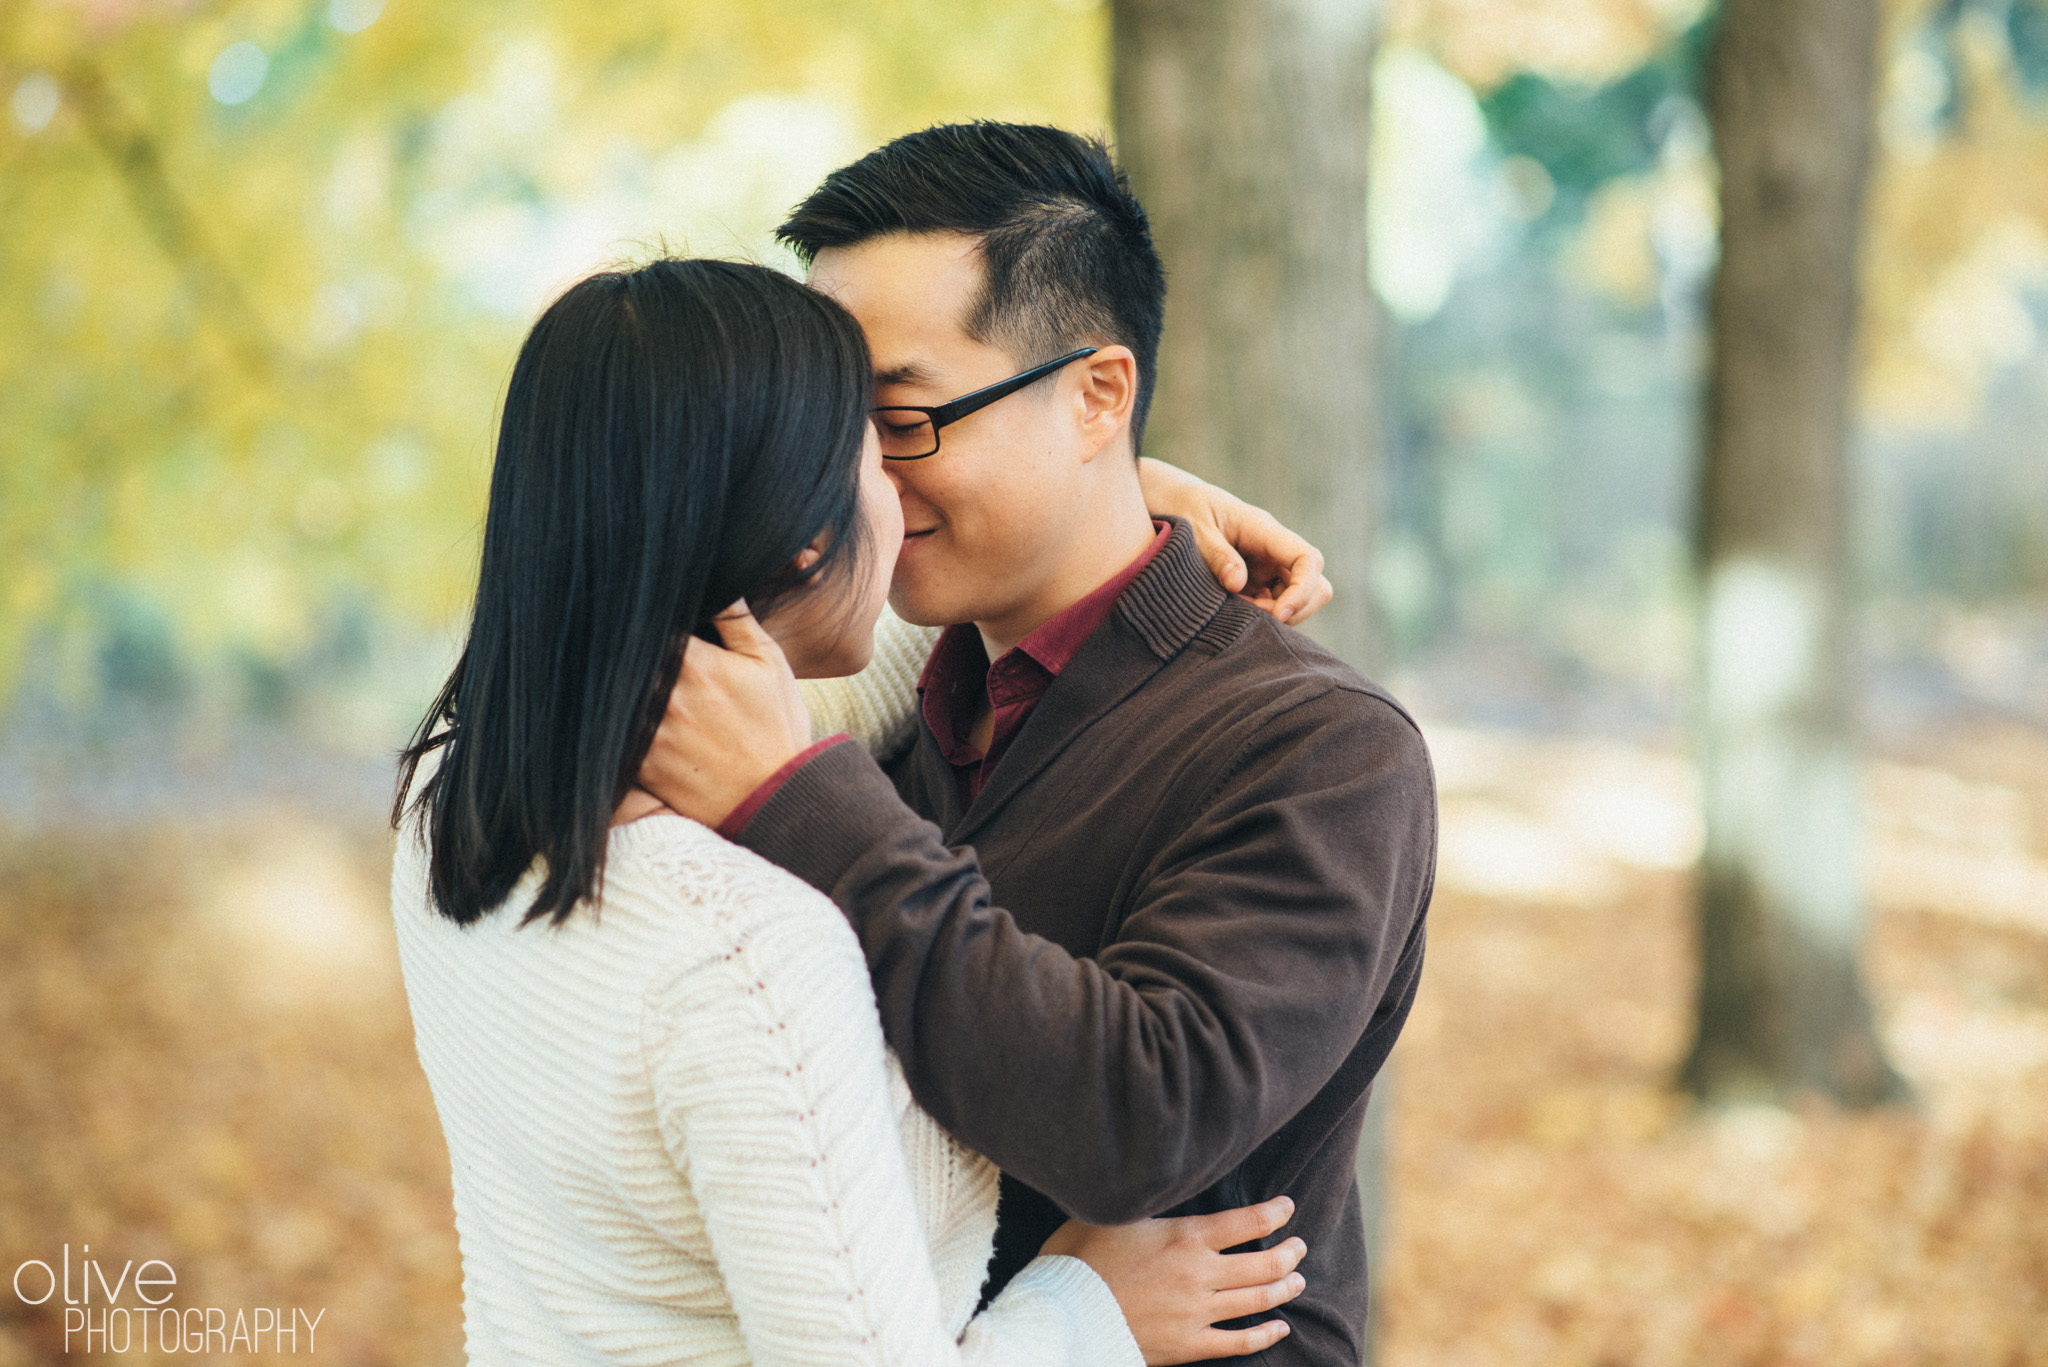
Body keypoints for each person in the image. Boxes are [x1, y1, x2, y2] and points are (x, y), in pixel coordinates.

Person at [389, 256, 1333, 1366]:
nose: (900, 491)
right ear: (800, 533)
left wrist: (1104, 489)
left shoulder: (452, 796)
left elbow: (845, 659)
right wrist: (1085, 1315)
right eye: (872, 452)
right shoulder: (751, 956)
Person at [634, 124, 1438, 1366]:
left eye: (898, 422)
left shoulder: (1320, 748)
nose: (853, 486)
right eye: (831, 432)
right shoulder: (897, 706)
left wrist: (799, 801)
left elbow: (1141, 1115)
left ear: (1096, 395)